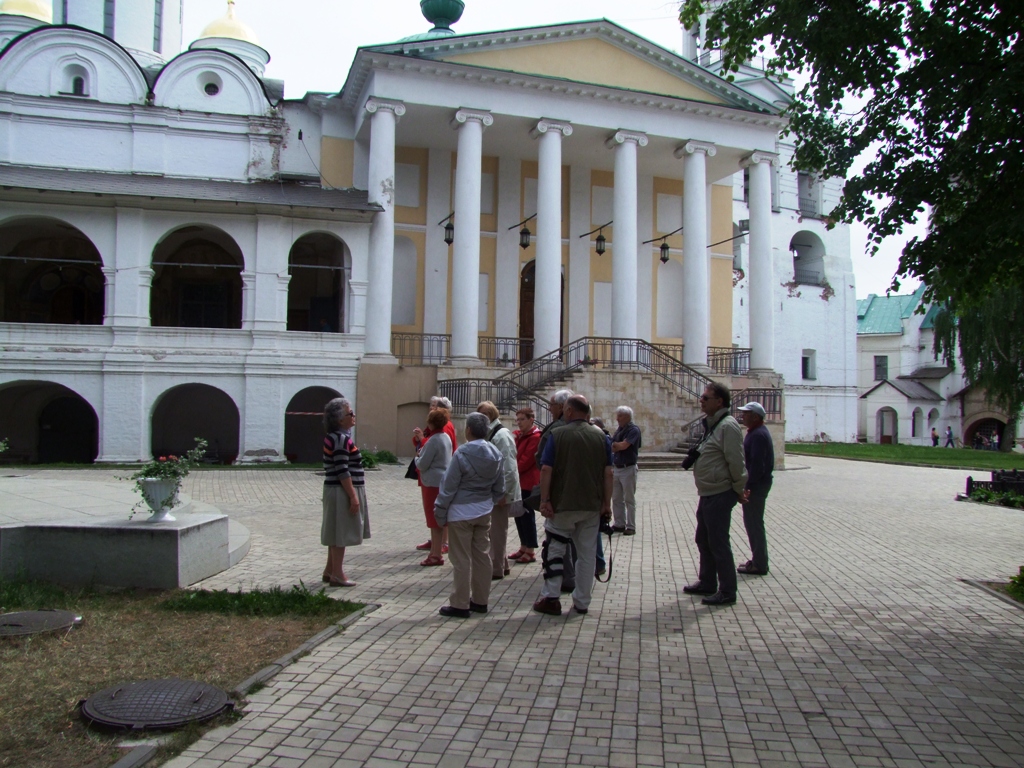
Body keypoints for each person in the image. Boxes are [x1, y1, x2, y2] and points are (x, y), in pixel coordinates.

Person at [533, 395, 613, 617]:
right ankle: (582, 601)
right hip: (591, 505)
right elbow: (608, 473)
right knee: (586, 554)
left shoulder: (557, 435)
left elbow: (546, 469)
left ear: (568, 411)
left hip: (562, 504)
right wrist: (607, 503)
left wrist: (545, 500)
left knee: (555, 549)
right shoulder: (601, 437)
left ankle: (551, 597)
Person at [434, 412, 506, 619]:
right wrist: (489, 500)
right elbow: (500, 487)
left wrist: (440, 511)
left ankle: (460, 603)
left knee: (461, 559)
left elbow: (448, 486)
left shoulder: (462, 453)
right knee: (482, 556)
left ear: (468, 430)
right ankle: (480, 601)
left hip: (461, 512)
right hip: (484, 510)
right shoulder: (495, 453)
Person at [682, 382, 747, 606]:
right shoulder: (714, 425)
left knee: (718, 542)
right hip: (708, 491)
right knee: (703, 538)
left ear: (719, 401)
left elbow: (736, 461)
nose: (701, 400)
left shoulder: (727, 426)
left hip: (720, 491)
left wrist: (739, 489)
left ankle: (727, 590)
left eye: (705, 398)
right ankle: (707, 581)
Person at [321, 397, 369, 588]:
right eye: (350, 413)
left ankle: (330, 570)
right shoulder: (341, 439)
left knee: (335, 530)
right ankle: (338, 574)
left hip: (335, 489)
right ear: (340, 419)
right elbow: (342, 469)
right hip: (341, 490)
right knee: (340, 532)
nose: (353, 415)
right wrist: (352, 496)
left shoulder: (335, 437)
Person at [535, 389, 577, 592]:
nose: (549, 407)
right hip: (580, 493)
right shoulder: (590, 430)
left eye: (551, 404)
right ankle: (581, 574)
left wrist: (545, 498)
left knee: (559, 538)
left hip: (559, 491)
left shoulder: (556, 430)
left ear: (562, 408)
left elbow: (542, 462)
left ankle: (562, 580)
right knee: (579, 538)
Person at [477, 401, 520, 580]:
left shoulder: (501, 435)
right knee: (494, 530)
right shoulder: (492, 433)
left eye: (484, 416)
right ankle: (502, 564)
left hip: (500, 492)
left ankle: (496, 568)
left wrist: (504, 493)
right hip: (494, 490)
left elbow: (508, 467)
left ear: (490, 416)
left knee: (497, 531)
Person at [413, 396, 457, 553]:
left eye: (434, 406)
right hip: (441, 478)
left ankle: (439, 548)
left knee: (435, 516)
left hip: (433, 480)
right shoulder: (441, 436)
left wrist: (418, 456)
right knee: (438, 513)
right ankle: (438, 545)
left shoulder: (438, 436)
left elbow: (424, 461)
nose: (431, 408)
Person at [736, 402, 773, 577]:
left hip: (756, 487)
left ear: (755, 417)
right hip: (757, 484)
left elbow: (757, 465)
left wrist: (748, 487)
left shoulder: (758, 435)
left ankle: (759, 563)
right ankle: (758, 559)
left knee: (754, 523)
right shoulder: (755, 433)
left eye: (746, 414)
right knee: (753, 523)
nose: (743, 416)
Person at [511, 407, 542, 565]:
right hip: (519, 480)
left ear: (531, 419)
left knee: (527, 516)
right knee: (519, 515)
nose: (519, 423)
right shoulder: (520, 436)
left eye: (522, 419)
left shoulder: (535, 437)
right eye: (518, 420)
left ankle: (530, 549)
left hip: (528, 482)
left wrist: (512, 469)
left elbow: (526, 460)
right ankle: (523, 546)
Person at [610, 405, 642, 536]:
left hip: (628, 467)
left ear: (628, 417)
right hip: (617, 467)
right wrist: (616, 446)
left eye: (620, 416)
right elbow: (613, 445)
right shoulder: (619, 430)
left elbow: (624, 445)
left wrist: (618, 446)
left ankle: (631, 526)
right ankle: (619, 523)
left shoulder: (633, 430)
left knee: (629, 498)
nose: (617, 419)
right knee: (616, 498)